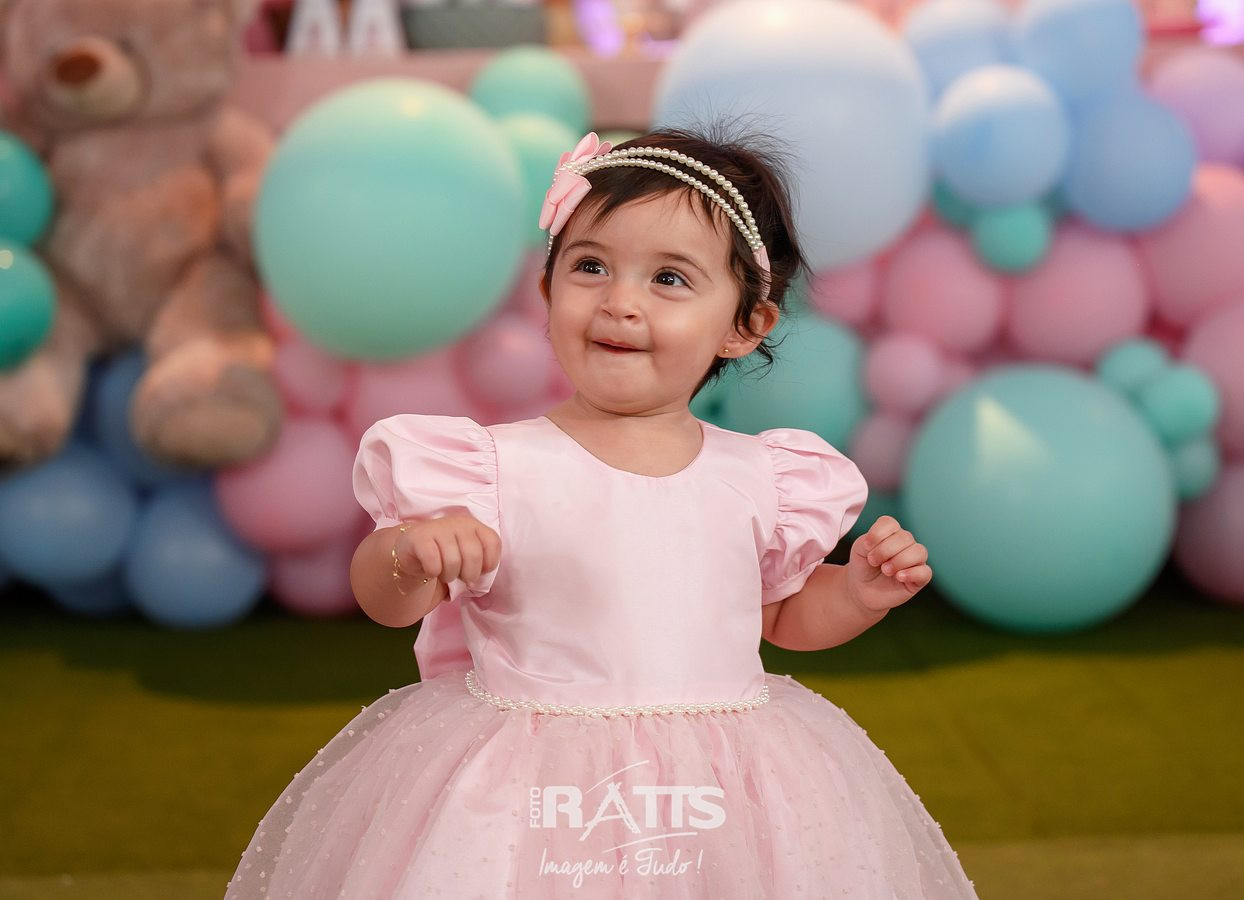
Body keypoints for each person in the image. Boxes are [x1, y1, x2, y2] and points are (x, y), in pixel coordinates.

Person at [226, 128, 977, 898]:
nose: (620, 302)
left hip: (715, 795)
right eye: (590, 267)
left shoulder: (762, 478)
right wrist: (410, 553)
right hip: (529, 796)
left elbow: (781, 617)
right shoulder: (490, 468)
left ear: (744, 325)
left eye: (669, 279)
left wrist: (854, 593)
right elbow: (385, 600)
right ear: (547, 290)